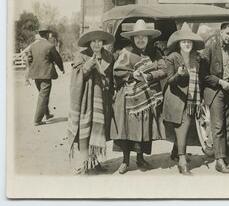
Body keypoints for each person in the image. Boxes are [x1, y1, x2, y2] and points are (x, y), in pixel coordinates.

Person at [111, 19, 167, 175]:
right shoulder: (126, 52)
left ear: (149, 38)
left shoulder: (154, 53)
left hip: (147, 97)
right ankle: (125, 161)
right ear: (133, 38)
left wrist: (149, 76)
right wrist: (131, 74)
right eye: (137, 37)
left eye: (144, 37)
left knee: (144, 128)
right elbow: (117, 71)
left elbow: (164, 70)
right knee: (127, 128)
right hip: (129, 97)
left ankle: (140, 158)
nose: (141, 40)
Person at [67, 28, 115, 174]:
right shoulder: (81, 56)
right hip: (86, 100)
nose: (96, 44)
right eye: (93, 41)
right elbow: (76, 75)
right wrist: (88, 66)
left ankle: (94, 162)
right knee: (85, 130)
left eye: (99, 41)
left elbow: (112, 76)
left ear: (103, 42)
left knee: (98, 129)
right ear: (89, 43)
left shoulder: (108, 56)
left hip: (103, 100)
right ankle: (85, 164)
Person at [163, 22, 205, 176]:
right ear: (178, 43)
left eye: (189, 41)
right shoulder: (172, 58)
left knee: (185, 127)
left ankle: (175, 152)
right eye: (184, 41)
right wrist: (178, 74)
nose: (187, 44)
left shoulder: (197, 58)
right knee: (183, 126)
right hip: (176, 98)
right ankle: (182, 162)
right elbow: (169, 81)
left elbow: (201, 78)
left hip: (192, 98)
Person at [200, 21, 229, 174]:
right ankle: (219, 161)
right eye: (227, 33)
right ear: (221, 33)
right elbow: (204, 75)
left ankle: (223, 157)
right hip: (216, 90)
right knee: (218, 126)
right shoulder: (210, 49)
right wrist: (220, 82)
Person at [27, 29, 64, 126]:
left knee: (42, 94)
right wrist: (62, 69)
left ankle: (47, 114)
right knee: (43, 96)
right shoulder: (50, 46)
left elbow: (29, 59)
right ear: (48, 35)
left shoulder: (33, 46)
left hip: (35, 75)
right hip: (46, 75)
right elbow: (57, 58)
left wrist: (31, 70)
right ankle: (37, 120)